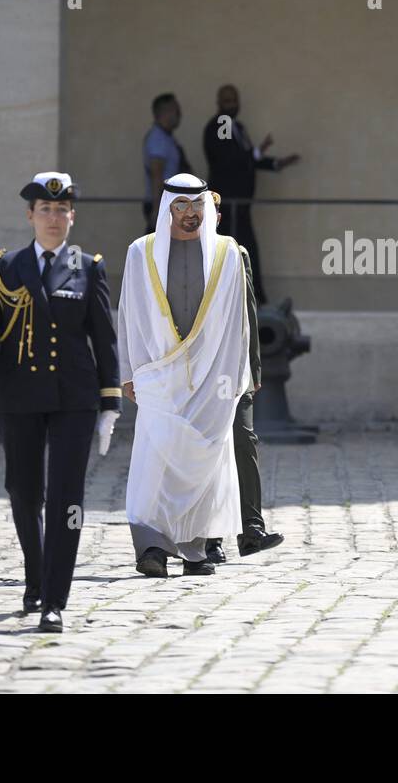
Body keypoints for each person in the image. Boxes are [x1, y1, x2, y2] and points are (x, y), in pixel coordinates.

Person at [0, 172, 122, 633]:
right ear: (30, 215)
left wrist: (109, 402)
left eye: (62, 210)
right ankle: (35, 575)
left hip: (74, 398)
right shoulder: (5, 267)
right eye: (45, 210)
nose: (54, 218)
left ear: (72, 216)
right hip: (18, 395)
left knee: (66, 498)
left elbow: (104, 339)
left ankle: (55, 598)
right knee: (23, 490)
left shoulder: (87, 266)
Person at [118, 173, 254, 577]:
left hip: (212, 379)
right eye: (181, 205)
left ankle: (195, 549)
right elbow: (127, 314)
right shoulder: (139, 253)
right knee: (154, 457)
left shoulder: (227, 253)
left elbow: (237, 323)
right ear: (167, 209)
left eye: (197, 205)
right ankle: (152, 548)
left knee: (201, 463)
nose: (191, 214)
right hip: (156, 374)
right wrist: (128, 372)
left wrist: (237, 375)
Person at [204, 192, 285, 564]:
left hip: (233, 370)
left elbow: (249, 312)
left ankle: (251, 530)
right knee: (207, 450)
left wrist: (254, 367)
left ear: (218, 216)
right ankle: (209, 538)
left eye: (210, 211)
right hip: (197, 374)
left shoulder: (236, 254)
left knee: (243, 440)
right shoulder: (171, 256)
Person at [202, 84, 299, 304]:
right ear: (218, 103)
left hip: (240, 205)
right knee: (236, 250)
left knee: (246, 250)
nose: (232, 105)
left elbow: (247, 159)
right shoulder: (222, 124)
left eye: (234, 100)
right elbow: (229, 158)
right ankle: (241, 301)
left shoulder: (238, 127)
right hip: (229, 204)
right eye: (227, 101)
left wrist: (275, 163)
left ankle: (254, 299)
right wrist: (258, 150)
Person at [143, 93, 193, 231]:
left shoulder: (167, 138)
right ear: (166, 112)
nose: (180, 114)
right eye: (176, 110)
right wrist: (156, 210)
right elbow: (156, 174)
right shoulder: (158, 139)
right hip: (162, 206)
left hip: (168, 205)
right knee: (158, 249)